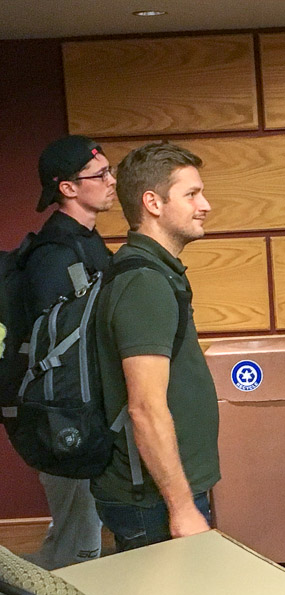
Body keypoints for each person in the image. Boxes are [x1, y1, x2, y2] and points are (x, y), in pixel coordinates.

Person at [91, 142, 219, 551]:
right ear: (153, 203)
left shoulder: (152, 271)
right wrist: (182, 508)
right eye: (192, 194)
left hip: (158, 492)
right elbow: (144, 408)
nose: (206, 205)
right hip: (153, 501)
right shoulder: (144, 283)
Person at [21, 135, 114, 569]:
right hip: (66, 414)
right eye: (100, 175)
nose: (111, 181)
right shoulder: (54, 254)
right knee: (80, 546)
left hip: (83, 410)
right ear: (68, 188)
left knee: (76, 528)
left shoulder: (86, 242)